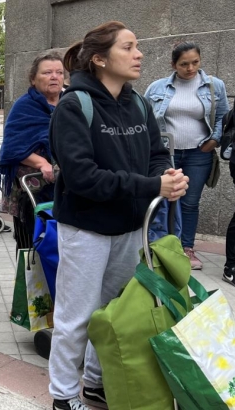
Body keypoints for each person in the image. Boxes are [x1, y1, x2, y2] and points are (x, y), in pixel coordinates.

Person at [48, 21, 188, 410]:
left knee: (113, 313)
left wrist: (169, 176)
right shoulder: (74, 106)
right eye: (128, 47)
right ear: (99, 59)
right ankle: (62, 395)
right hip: (87, 229)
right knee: (76, 317)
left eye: (137, 46)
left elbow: (157, 152)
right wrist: (150, 187)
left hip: (130, 227)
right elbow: (82, 178)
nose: (139, 54)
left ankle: (95, 383)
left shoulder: (139, 102)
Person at [144, 42, 229, 270]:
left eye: (195, 62)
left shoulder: (214, 86)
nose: (190, 68)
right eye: (184, 64)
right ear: (174, 65)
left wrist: (214, 141)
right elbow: (143, 117)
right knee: (164, 199)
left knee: (190, 202)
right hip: (165, 153)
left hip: (198, 154)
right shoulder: (157, 88)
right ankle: (162, 245)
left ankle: (186, 247)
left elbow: (223, 116)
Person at [0, 52, 64, 252]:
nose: (54, 76)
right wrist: (40, 163)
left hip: (66, 188)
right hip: (31, 191)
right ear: (33, 79)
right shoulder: (24, 106)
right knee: (31, 246)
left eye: (59, 72)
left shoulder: (71, 102)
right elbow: (11, 147)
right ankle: (28, 282)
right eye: (47, 72)